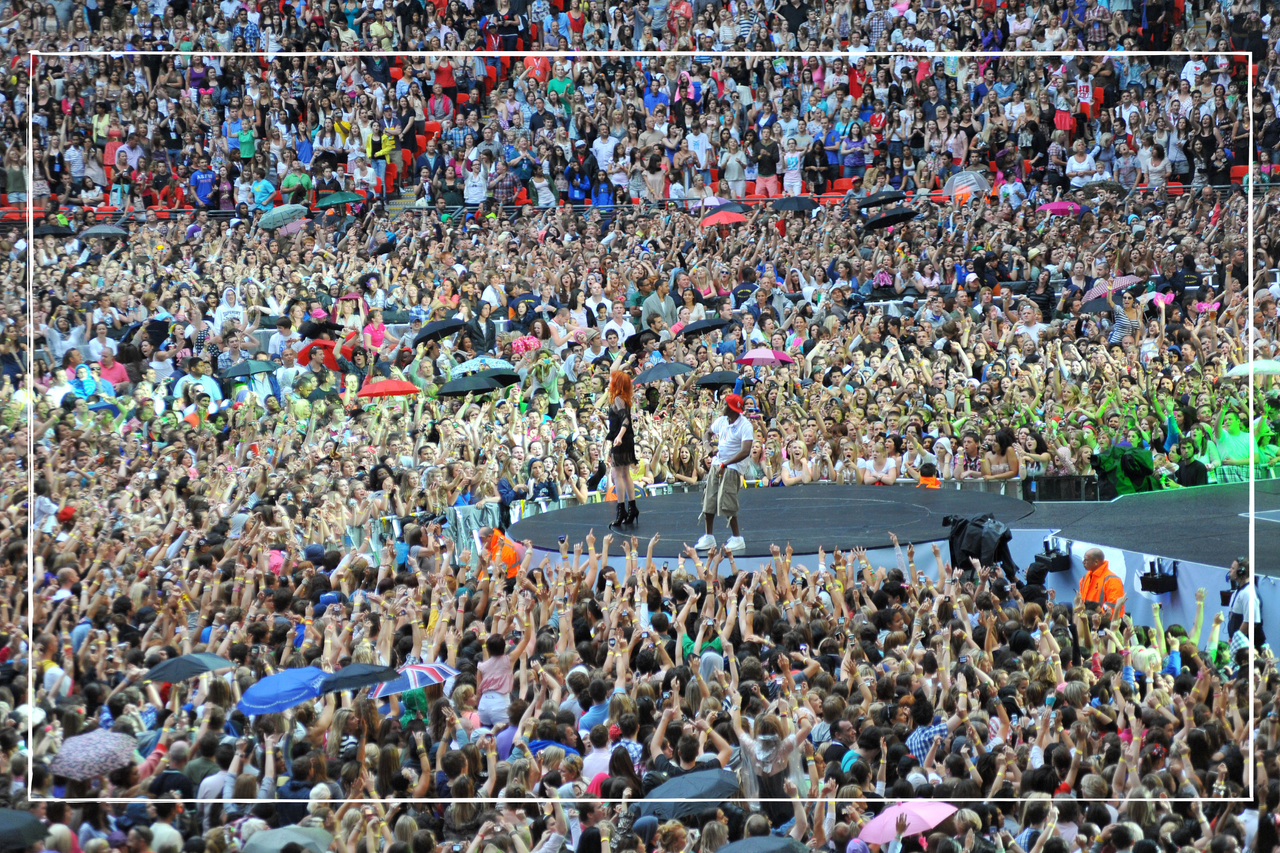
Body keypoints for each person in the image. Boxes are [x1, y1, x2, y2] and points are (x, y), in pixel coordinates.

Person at [697, 393, 754, 553]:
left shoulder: (745, 425)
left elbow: (745, 451)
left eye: (725, 405)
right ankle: (709, 536)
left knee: (727, 500)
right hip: (718, 464)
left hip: (733, 467)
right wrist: (708, 448)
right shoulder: (722, 421)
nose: (722, 407)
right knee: (709, 500)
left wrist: (725, 463)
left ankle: (737, 538)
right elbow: (707, 433)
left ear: (732, 408)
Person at [606, 370, 639, 528]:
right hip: (627, 440)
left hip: (622, 440)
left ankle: (621, 510)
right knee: (625, 474)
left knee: (617, 474)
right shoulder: (623, 398)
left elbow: (626, 420)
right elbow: (621, 419)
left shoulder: (618, 399)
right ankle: (632, 508)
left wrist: (618, 436)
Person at [1079, 547, 1126, 618]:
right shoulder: (1085, 577)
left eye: (1086, 560)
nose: (1083, 562)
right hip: (1089, 621)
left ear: (1096, 562)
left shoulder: (1112, 580)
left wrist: (1098, 619)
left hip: (1104, 624)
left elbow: (1113, 607)